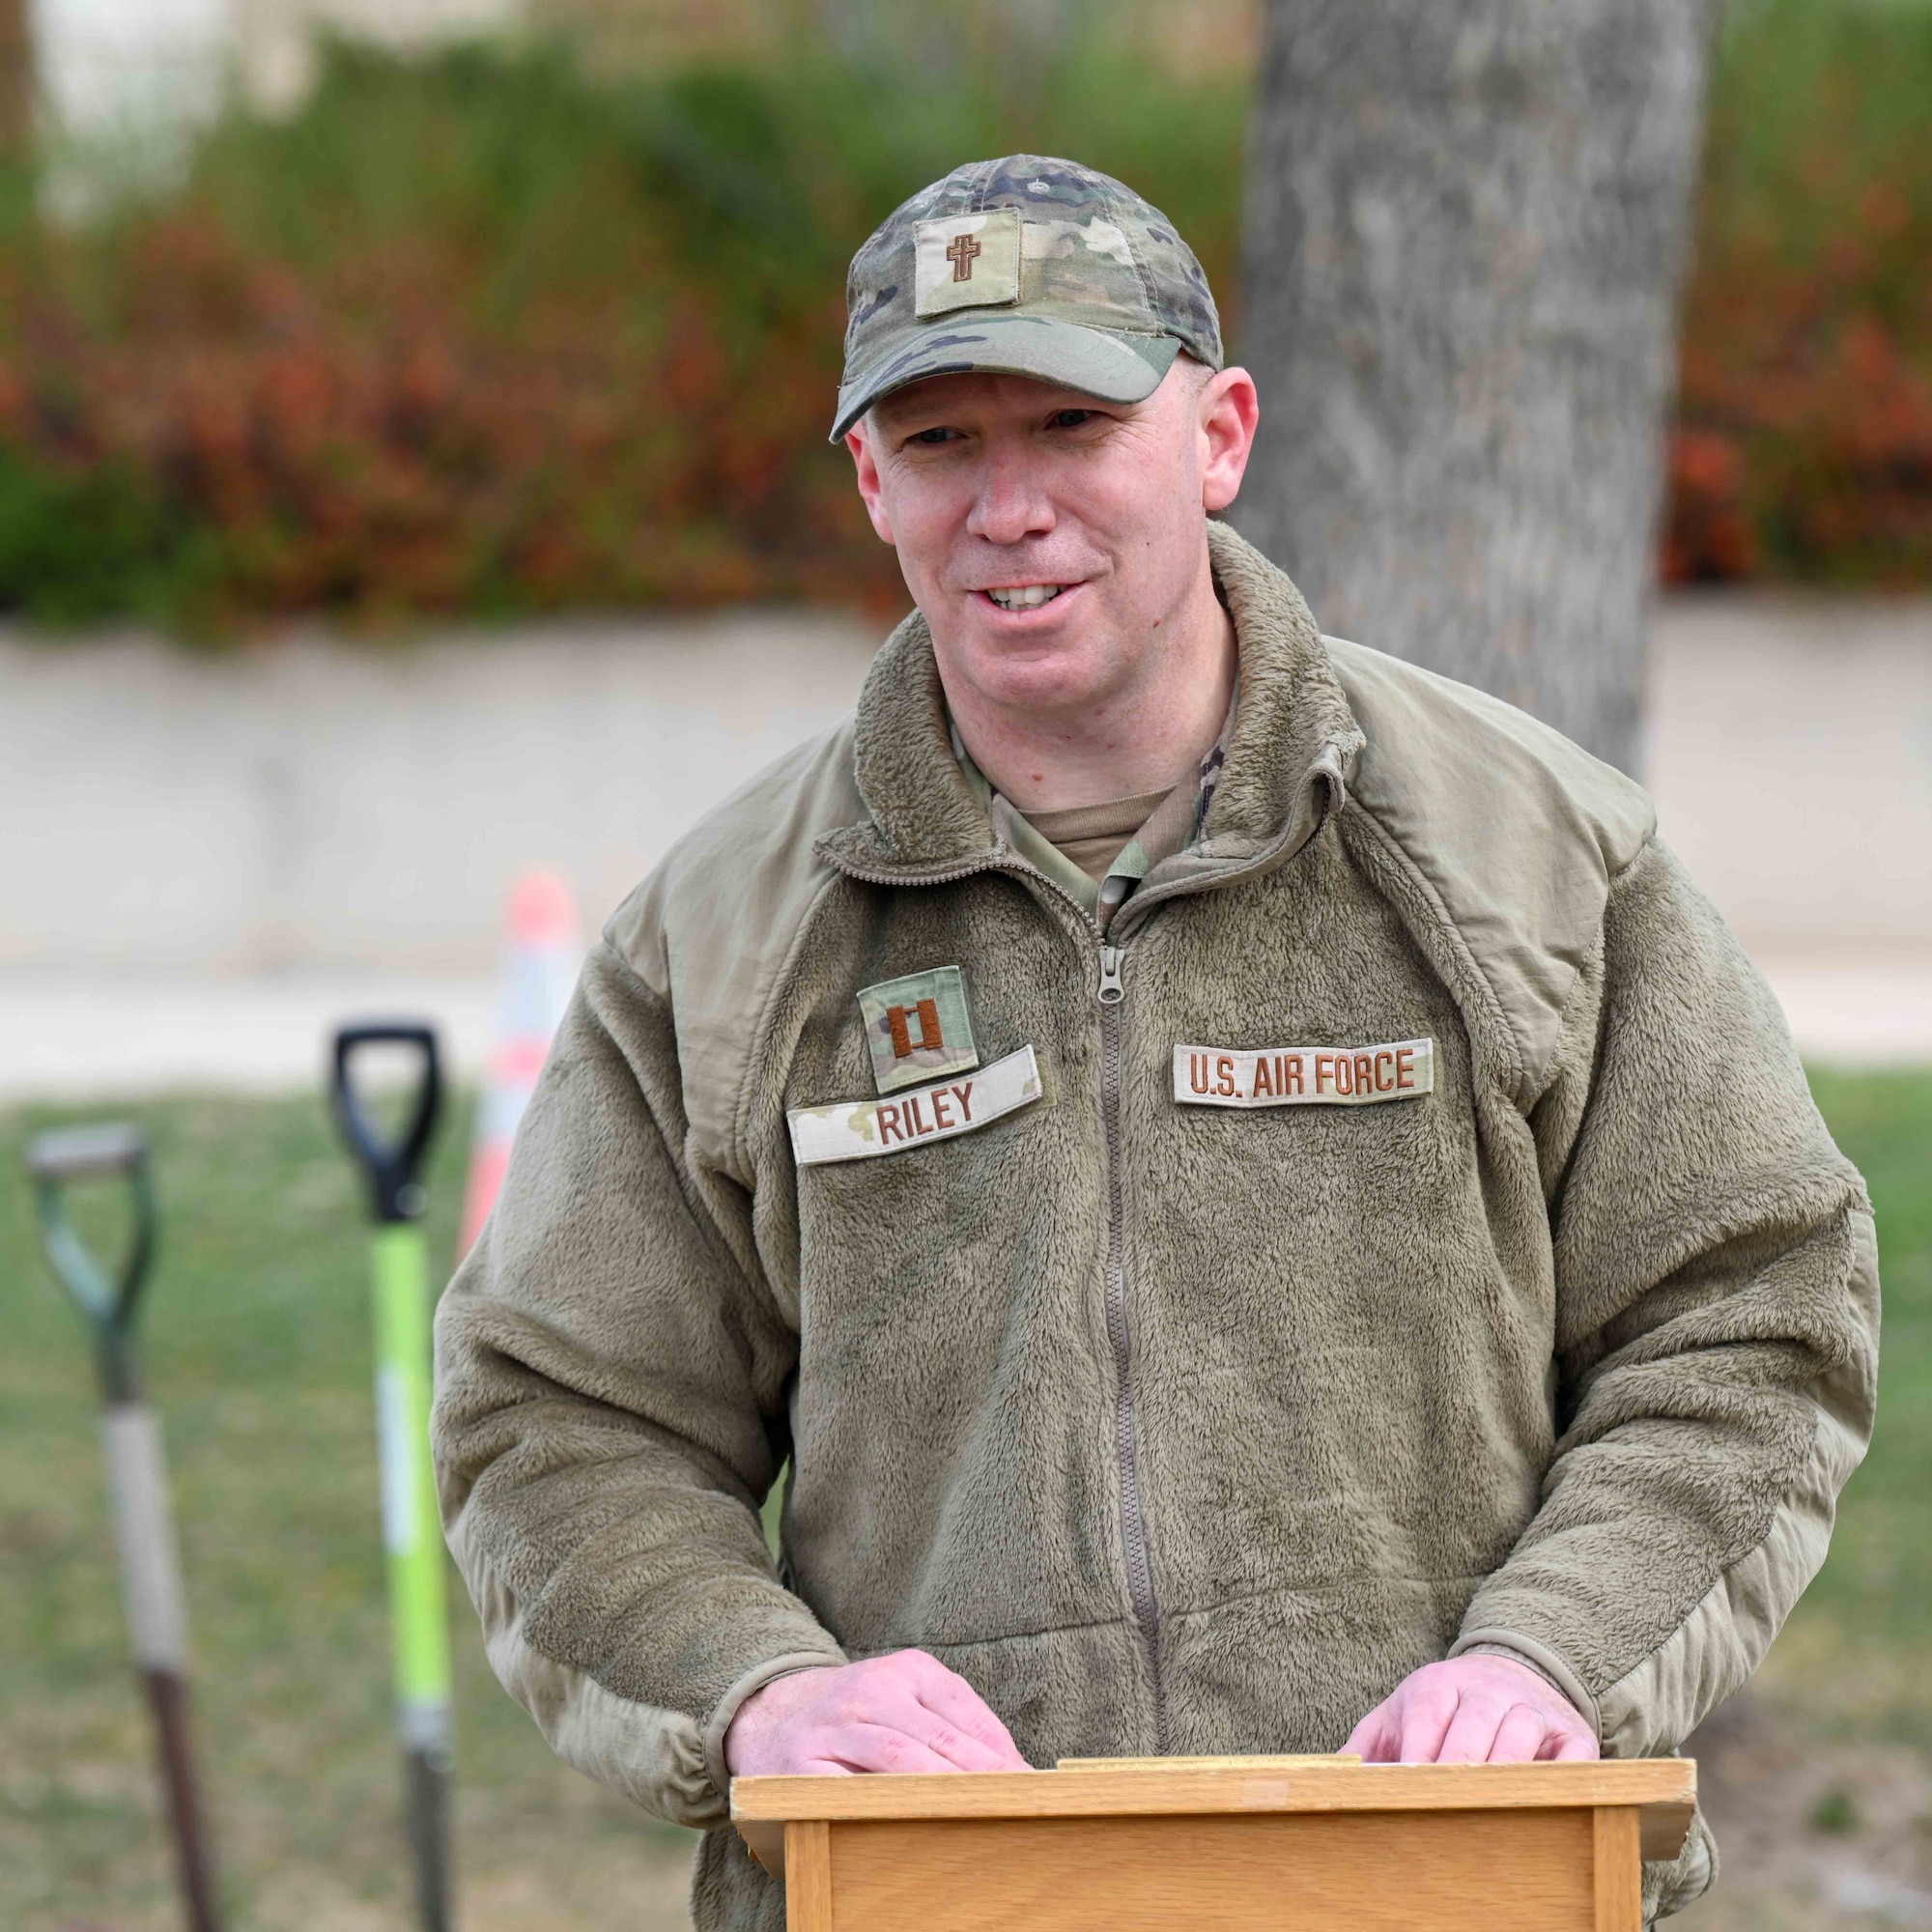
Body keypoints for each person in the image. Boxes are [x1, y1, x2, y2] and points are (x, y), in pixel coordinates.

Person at [432, 156, 1879, 1927]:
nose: (1010, 506)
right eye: (944, 443)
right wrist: (763, 1695)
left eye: (1069, 422)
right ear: (871, 478)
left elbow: (1748, 1313)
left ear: (1219, 435)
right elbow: (557, 1423)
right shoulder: (719, 942)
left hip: (1457, 1882)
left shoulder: (1532, 854)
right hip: (926, 1902)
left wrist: (1552, 1658)